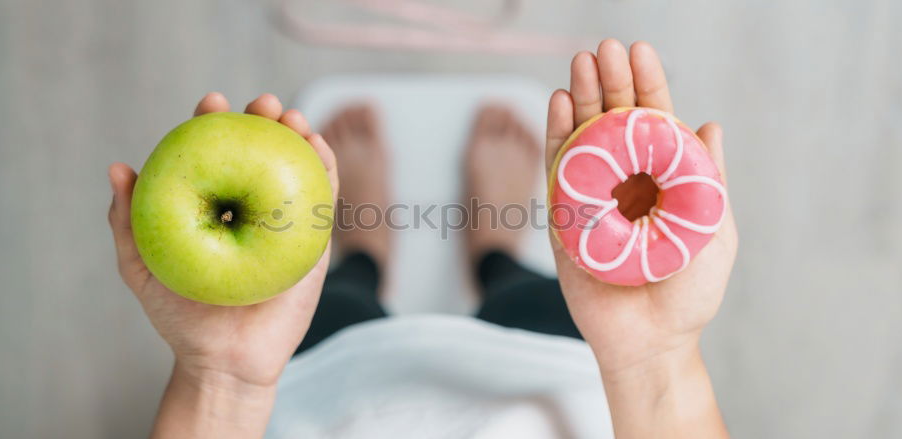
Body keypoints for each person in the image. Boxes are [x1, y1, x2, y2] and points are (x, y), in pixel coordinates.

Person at [106, 39, 737, 438]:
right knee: (523, 299)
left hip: (322, 392)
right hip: (563, 382)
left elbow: (239, 377)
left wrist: (224, 381)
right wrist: (657, 363)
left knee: (343, 300)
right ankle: (493, 248)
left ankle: (365, 253)